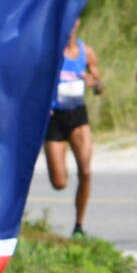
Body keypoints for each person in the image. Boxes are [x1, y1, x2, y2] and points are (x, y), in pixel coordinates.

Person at [45, 20, 102, 235]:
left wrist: (94, 83)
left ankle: (79, 225)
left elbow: (100, 87)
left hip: (78, 116)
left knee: (86, 170)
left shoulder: (86, 52)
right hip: (54, 118)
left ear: (78, 22)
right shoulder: (51, 51)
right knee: (59, 183)